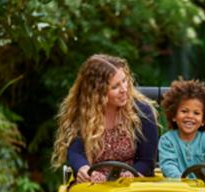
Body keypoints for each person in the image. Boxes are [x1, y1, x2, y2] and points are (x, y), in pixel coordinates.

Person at [51, 54, 158, 183]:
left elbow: (147, 162)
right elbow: (76, 151)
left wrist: (131, 174)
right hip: (93, 183)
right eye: (115, 87)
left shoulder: (142, 112)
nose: (124, 89)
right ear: (97, 92)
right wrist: (83, 168)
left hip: (131, 185)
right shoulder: (83, 114)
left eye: (124, 80)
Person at [158, 79, 205, 183]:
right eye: (184, 111)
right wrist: (181, 180)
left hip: (201, 191)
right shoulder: (167, 140)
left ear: (203, 120)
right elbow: (168, 165)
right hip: (176, 189)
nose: (190, 116)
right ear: (174, 116)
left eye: (196, 113)